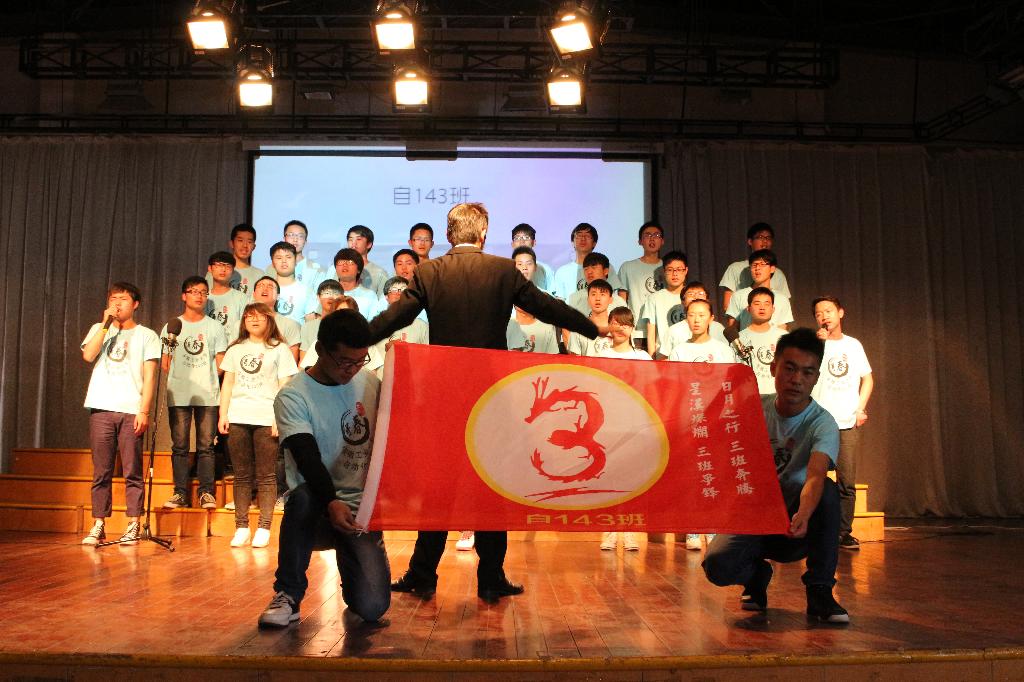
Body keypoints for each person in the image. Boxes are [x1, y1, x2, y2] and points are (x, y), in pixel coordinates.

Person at [368, 202, 601, 601]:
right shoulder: (502, 270)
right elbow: (546, 307)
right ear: (483, 233)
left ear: (448, 234)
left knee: (438, 486)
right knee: (492, 484)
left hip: (445, 396)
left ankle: (423, 573)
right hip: (491, 396)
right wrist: (590, 328)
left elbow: (399, 317)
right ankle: (491, 576)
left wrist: (359, 336)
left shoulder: (430, 271)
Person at [702, 328, 849, 624]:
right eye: (790, 369)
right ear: (773, 368)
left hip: (794, 523)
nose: (797, 379)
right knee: (716, 566)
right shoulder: (751, 407)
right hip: (753, 516)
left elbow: (816, 475)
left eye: (807, 372)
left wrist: (803, 514)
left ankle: (820, 589)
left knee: (828, 491)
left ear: (816, 378)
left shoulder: (822, 423)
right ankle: (756, 575)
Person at [257, 309, 390, 628]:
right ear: (320, 350)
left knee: (372, 608)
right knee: (301, 498)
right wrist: (332, 501)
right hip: (318, 504)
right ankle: (288, 594)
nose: (351, 370)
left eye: (359, 361)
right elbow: (307, 456)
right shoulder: (294, 395)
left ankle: (353, 564)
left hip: (359, 508)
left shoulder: (369, 383)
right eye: (344, 361)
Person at [80, 282, 161, 546]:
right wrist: (105, 325)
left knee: (132, 471)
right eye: (113, 298)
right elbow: (88, 355)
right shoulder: (99, 328)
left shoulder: (147, 335)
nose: (117, 303)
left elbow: (150, 376)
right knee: (101, 471)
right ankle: (99, 524)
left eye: (123, 299)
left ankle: (133, 523)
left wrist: (144, 410)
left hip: (130, 410)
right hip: (101, 407)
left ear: (135, 304)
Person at [218, 303, 298, 549]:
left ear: (269, 320)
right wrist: (223, 414)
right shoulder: (235, 349)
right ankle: (241, 527)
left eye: (259, 316)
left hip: (266, 418)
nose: (254, 320)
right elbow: (228, 384)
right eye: (249, 316)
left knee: (266, 476)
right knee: (241, 475)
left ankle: (264, 527)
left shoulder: (280, 349)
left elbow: (285, 386)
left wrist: (279, 417)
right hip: (238, 416)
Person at [812, 296, 874, 551]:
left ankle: (843, 532)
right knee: (814, 479)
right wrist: (818, 345)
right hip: (819, 422)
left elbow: (868, 379)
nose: (824, 316)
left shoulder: (853, 345)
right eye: (818, 313)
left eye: (828, 310)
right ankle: (814, 530)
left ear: (840, 312)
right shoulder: (815, 345)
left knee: (846, 482)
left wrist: (860, 408)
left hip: (847, 421)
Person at [161, 276, 227, 510]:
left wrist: (205, 378)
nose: (199, 296)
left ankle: (206, 492)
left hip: (207, 394)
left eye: (203, 292)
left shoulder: (215, 327)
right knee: (179, 445)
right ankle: (180, 492)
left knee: (206, 445)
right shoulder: (172, 325)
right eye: (194, 291)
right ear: (184, 296)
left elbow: (221, 362)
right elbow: (165, 363)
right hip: (178, 393)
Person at [594, 307, 650, 553]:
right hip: (608, 425)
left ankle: (629, 531)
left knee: (631, 480)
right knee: (609, 479)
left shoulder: (643, 358)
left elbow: (652, 389)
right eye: (615, 323)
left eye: (625, 324)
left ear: (632, 328)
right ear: (609, 326)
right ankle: (609, 530)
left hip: (635, 425)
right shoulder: (600, 356)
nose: (619, 328)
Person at [719, 222, 792, 312]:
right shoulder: (735, 268)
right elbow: (727, 306)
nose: (765, 241)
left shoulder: (778, 273)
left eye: (768, 238)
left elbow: (784, 306)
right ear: (750, 241)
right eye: (760, 237)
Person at [367, 276, 429, 379]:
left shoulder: (421, 326)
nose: (399, 293)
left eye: (403, 290)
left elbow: (428, 356)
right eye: (394, 290)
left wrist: (407, 349)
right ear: (386, 297)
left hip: (411, 379)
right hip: (379, 380)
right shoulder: (377, 325)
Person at [507, 247, 561, 354]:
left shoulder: (546, 298)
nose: (524, 268)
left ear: (535, 267)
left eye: (529, 264)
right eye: (520, 264)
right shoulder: (503, 296)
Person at [724, 250, 794, 332]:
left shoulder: (782, 299)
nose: (757, 268)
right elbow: (733, 328)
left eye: (762, 264)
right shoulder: (738, 296)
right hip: (746, 339)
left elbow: (782, 330)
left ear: (772, 269)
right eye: (754, 265)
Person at [551, 223, 621, 300]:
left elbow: (613, 295)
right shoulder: (562, 271)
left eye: (587, 236)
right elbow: (560, 301)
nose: (583, 239)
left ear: (594, 243)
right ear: (572, 242)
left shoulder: (605, 266)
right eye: (579, 235)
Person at [660, 282, 729, 358]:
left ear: (707, 300)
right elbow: (664, 360)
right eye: (691, 294)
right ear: (683, 301)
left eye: (700, 293)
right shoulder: (673, 331)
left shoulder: (719, 328)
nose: (696, 297)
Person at [738, 288, 786, 395]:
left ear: (773, 309)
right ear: (748, 309)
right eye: (757, 303)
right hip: (748, 396)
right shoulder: (739, 339)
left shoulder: (783, 337)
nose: (762, 307)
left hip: (777, 397)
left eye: (767, 304)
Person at [642, 250, 689, 359]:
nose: (675, 274)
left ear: (686, 270)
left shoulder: (693, 295)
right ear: (664, 271)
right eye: (670, 269)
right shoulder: (654, 298)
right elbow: (651, 333)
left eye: (679, 269)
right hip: (664, 356)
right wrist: (652, 360)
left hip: (688, 354)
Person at [616, 221, 666, 324]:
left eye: (656, 235)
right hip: (636, 328)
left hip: (663, 326)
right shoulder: (627, 267)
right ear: (640, 241)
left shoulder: (668, 268)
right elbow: (621, 301)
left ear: (662, 241)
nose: (652, 239)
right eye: (647, 235)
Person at [205, 223, 264, 298]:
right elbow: (207, 297)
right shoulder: (216, 270)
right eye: (240, 240)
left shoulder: (259, 275)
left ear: (254, 246)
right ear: (232, 243)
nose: (245, 245)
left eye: (249, 242)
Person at [252, 276, 301, 362]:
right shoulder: (240, 324)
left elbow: (291, 363)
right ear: (254, 294)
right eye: (261, 286)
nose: (265, 289)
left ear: (278, 296)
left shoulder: (290, 325)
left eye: (270, 287)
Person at [299, 280, 344, 367]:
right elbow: (303, 362)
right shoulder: (308, 327)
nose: (331, 297)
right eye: (326, 293)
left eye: (336, 293)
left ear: (342, 298)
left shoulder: (346, 325)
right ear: (318, 297)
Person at [268, 241, 316, 324]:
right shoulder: (264, 290)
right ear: (272, 263)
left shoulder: (306, 290)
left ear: (295, 261)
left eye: (288, 257)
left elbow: (310, 324)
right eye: (279, 258)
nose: (284, 261)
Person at [206, 251, 248, 344]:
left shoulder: (242, 298)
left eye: (228, 266)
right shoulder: (204, 298)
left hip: (233, 347)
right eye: (219, 265)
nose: (223, 269)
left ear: (233, 271)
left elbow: (245, 327)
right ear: (210, 268)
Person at [565, 280, 615, 357]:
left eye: (602, 294)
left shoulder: (618, 327)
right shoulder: (579, 328)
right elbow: (575, 360)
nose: (597, 298)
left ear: (610, 299)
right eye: (593, 294)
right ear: (588, 299)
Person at [333, 247, 383, 321]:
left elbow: (374, 323)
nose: (345, 265)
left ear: (358, 269)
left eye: (350, 262)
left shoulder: (369, 296)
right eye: (340, 262)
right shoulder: (327, 294)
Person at [275, 219, 326, 289]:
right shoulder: (273, 268)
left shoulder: (317, 270)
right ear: (284, 239)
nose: (295, 239)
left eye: (300, 236)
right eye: (291, 235)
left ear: (305, 241)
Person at [511, 223, 556, 294]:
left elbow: (552, 295)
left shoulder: (545, 269)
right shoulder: (505, 269)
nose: (522, 241)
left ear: (534, 242)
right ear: (512, 244)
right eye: (517, 238)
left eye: (526, 237)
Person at [347, 225, 389, 296]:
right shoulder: (337, 269)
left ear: (369, 244)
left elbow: (384, 299)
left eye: (358, 239)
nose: (353, 243)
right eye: (350, 239)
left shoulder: (379, 273)